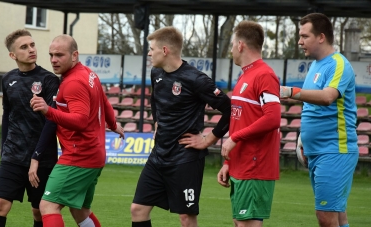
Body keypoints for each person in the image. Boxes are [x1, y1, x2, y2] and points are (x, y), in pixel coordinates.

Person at [130, 26, 231, 227]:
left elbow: (229, 109)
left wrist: (209, 139)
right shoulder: (156, 72)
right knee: (138, 209)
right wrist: (157, 123)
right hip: (158, 156)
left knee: (186, 218)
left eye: (152, 49)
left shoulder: (197, 80)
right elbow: (155, 101)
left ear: (165, 50)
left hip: (185, 158)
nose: (149, 53)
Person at [30, 34, 124, 227]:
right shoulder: (89, 74)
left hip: (78, 155)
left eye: (59, 55)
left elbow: (80, 121)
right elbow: (105, 102)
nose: (54, 60)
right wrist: (113, 124)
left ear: (75, 55)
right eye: (51, 55)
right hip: (94, 154)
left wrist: (49, 111)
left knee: (47, 206)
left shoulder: (73, 82)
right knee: (80, 210)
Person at [280, 13, 358, 227]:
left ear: (321, 37)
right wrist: (302, 139)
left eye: (305, 36)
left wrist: (290, 91)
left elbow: (327, 97)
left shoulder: (338, 64)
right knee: (337, 216)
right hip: (317, 152)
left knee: (326, 216)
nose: (300, 41)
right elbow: (310, 107)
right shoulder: (315, 65)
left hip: (334, 151)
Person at [0, 29, 59, 227]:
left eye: (32, 45)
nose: (31, 50)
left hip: (42, 158)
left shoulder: (49, 80)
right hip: (12, 156)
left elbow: (52, 121)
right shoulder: (8, 79)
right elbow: (7, 115)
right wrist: (4, 150)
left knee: (39, 211)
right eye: (24, 47)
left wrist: (36, 155)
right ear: (13, 55)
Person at [217, 21, 281, 227]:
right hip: (240, 165)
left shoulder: (264, 75)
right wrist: (228, 162)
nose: (232, 49)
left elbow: (272, 118)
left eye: (233, 43)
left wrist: (234, 138)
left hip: (255, 166)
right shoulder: (246, 76)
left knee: (247, 224)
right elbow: (241, 121)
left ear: (241, 45)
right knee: (239, 222)